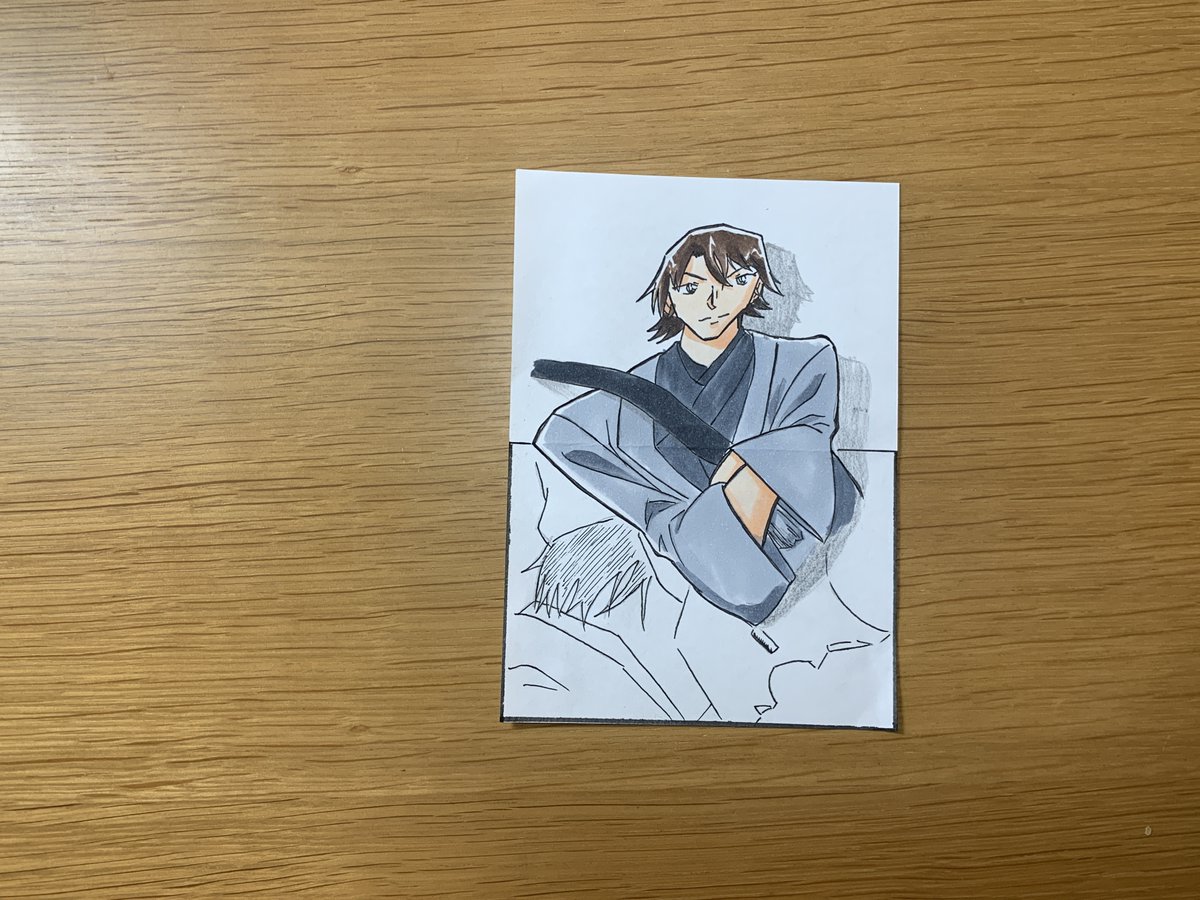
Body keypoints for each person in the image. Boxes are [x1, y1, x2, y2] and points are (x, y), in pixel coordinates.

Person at [533, 224, 856, 628]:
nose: (712, 301)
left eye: (734, 282)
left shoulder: (804, 362)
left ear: (755, 287)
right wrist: (678, 519)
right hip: (678, 577)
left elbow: (808, 454)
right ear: (668, 298)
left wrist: (744, 475)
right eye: (690, 287)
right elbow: (562, 436)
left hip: (823, 568)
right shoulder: (616, 403)